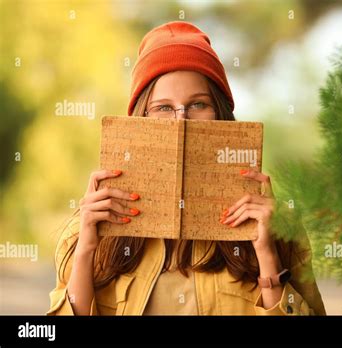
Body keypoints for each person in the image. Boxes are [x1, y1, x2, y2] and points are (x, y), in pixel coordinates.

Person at [47, 21, 326, 316]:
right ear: (140, 120)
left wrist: (267, 254)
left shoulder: (280, 228)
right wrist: (86, 251)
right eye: (164, 108)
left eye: (198, 104)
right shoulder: (86, 230)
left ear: (220, 114)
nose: (182, 120)